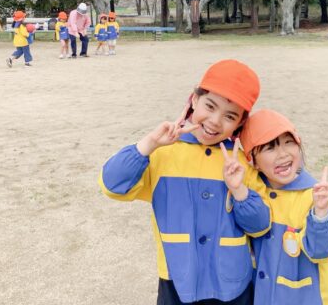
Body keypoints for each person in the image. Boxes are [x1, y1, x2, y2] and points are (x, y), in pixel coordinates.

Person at [99, 59, 271, 304]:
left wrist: (239, 191)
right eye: (210, 106)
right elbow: (112, 186)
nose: (215, 121)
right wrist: (148, 145)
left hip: (233, 284)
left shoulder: (241, 164)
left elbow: (260, 226)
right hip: (177, 282)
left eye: (230, 116)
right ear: (194, 100)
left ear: (240, 123)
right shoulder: (163, 153)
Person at [222, 109, 328, 305]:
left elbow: (322, 251)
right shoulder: (256, 193)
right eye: (270, 148)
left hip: (304, 298)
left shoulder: (313, 196)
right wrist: (238, 190)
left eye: (289, 142)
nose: (283, 154)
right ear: (253, 162)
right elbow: (253, 227)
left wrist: (321, 214)